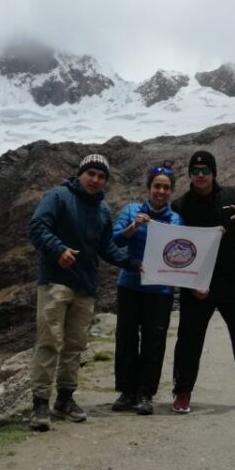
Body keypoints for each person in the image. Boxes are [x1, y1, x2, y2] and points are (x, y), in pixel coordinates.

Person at [28, 153, 139, 431]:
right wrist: (58, 250)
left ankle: (64, 399)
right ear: (81, 173)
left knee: (75, 345)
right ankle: (40, 403)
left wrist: (132, 263)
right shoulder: (58, 196)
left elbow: (106, 249)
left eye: (102, 177)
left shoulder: (102, 210)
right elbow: (37, 227)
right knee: (49, 341)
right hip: (55, 281)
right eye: (91, 173)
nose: (95, 180)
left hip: (86, 287)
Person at [170, 150, 235, 415]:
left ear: (214, 172)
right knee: (188, 339)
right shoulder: (180, 205)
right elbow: (173, 245)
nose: (200, 175)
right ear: (190, 175)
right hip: (196, 285)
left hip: (232, 280)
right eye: (195, 171)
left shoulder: (232, 197)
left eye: (205, 170)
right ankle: (182, 392)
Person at [110, 161, 184, 415]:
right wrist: (134, 227)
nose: (161, 192)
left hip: (160, 291)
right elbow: (115, 240)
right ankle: (126, 391)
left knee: (154, 342)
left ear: (171, 191)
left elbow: (183, 252)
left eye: (166, 188)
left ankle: (145, 394)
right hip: (130, 286)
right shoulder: (131, 211)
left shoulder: (176, 219)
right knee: (126, 339)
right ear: (149, 188)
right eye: (157, 187)